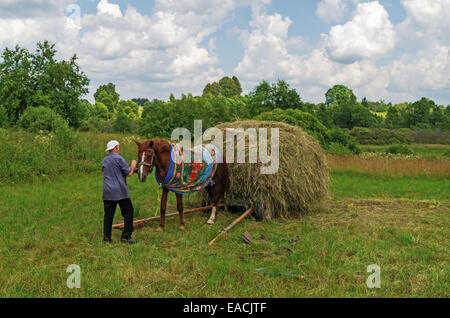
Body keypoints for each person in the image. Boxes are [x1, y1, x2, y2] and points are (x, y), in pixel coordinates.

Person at [102, 140, 138, 244]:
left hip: (107, 191)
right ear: (116, 148)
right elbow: (129, 173)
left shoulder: (105, 160)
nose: (119, 148)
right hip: (120, 191)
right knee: (128, 212)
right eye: (118, 147)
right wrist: (133, 164)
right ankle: (126, 237)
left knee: (108, 215)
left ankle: (107, 238)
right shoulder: (119, 158)